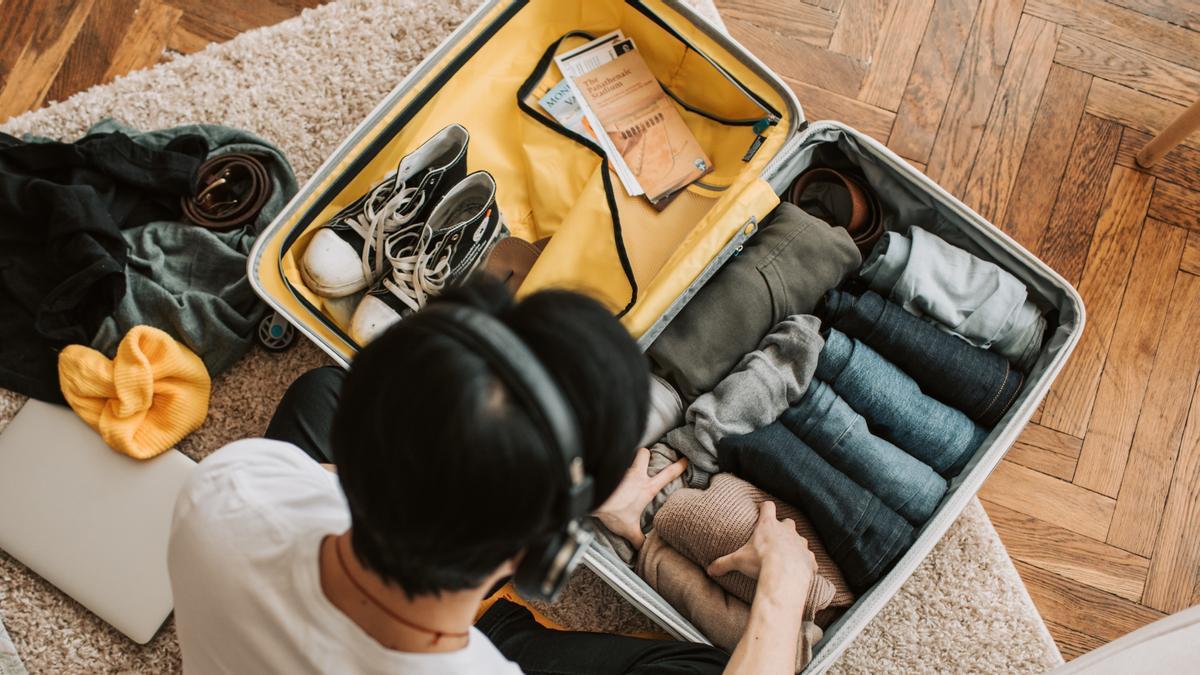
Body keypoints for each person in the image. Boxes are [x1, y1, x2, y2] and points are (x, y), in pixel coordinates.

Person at [167, 276, 817, 674]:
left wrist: (539, 481)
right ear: (549, 556)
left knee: (318, 393)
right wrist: (782, 591)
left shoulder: (228, 486)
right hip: (462, 629)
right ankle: (503, 615)